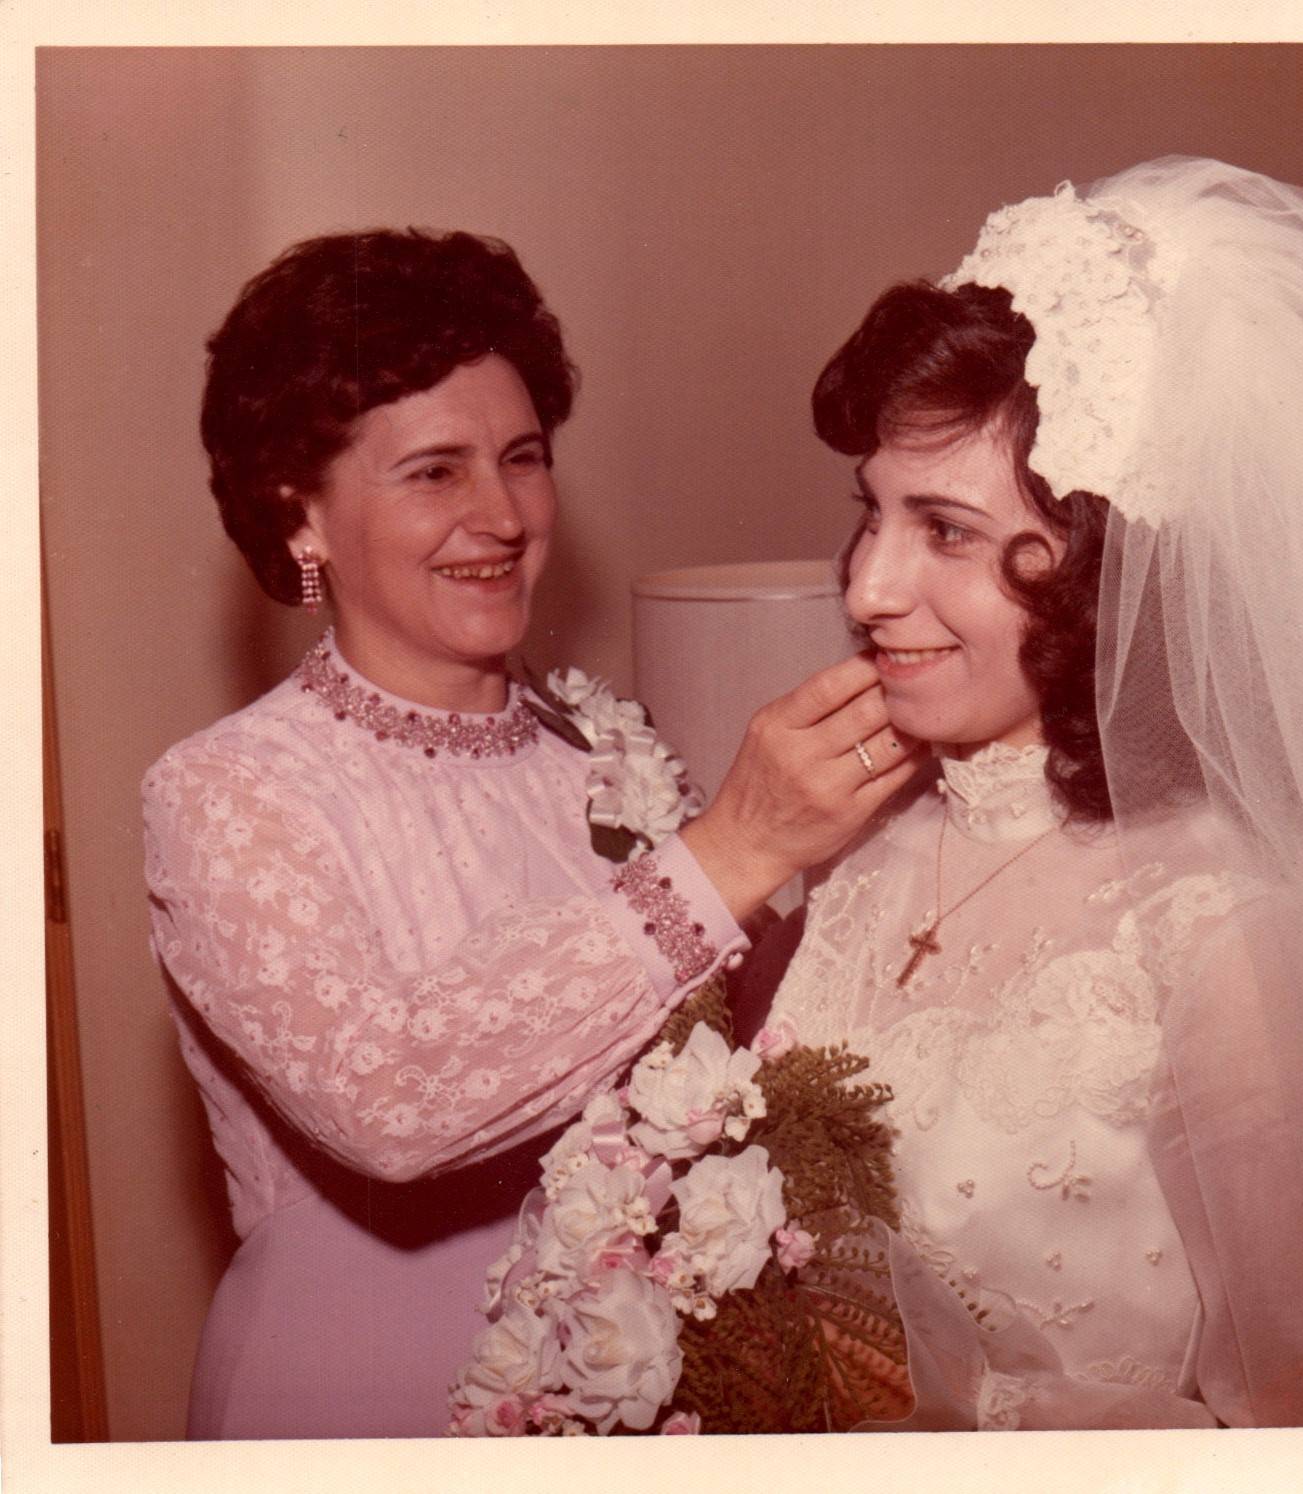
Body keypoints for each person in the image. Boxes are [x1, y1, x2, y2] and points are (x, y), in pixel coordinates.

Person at [141, 228, 920, 1439]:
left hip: (629, 1382)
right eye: (434, 472)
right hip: (359, 1381)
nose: (501, 515)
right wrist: (730, 854)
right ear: (301, 515)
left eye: (522, 458)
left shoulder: (601, 752)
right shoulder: (228, 791)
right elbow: (391, 1105)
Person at [764, 157, 1303, 1428]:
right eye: (874, 515)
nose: (868, 588)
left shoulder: (1224, 932)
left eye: (947, 531)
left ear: (1103, 567)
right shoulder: (861, 849)